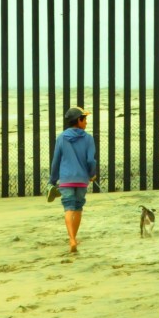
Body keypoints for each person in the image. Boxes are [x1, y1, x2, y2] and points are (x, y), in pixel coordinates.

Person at [47, 107, 97, 253]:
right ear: (78, 120)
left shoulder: (61, 137)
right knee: (78, 207)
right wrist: (91, 174)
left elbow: (56, 160)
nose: (86, 122)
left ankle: (72, 239)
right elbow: (91, 160)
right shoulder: (88, 138)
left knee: (68, 208)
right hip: (82, 180)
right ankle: (74, 237)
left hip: (66, 179)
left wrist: (52, 180)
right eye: (85, 119)